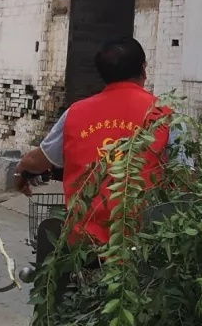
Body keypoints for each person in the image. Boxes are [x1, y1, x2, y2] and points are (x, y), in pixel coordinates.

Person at [15, 37, 183, 246]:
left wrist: (21, 170)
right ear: (143, 70)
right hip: (143, 243)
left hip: (84, 244)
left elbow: (38, 160)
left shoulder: (75, 114)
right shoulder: (165, 115)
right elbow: (185, 177)